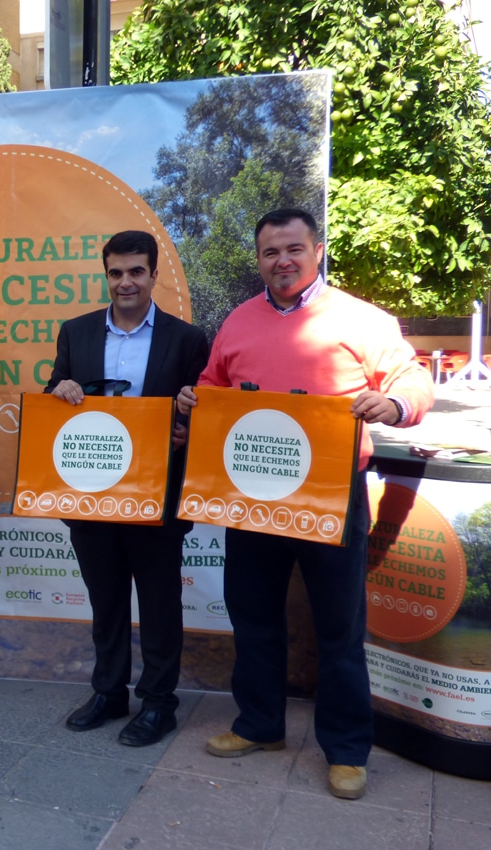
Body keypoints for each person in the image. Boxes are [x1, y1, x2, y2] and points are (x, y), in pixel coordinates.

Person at [176, 209, 434, 799]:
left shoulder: (360, 319)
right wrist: (199, 399)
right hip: (252, 494)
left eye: (293, 249)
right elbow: (214, 383)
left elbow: (411, 378)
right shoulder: (239, 321)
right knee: (254, 616)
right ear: (259, 260)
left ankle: (346, 752)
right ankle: (260, 725)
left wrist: (394, 406)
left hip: (330, 494)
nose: (282, 262)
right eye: (270, 253)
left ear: (316, 250)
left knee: (338, 629)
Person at [47, 231, 208, 746]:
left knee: (160, 603)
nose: (125, 282)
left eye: (136, 271)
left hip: (157, 497)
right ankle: (109, 692)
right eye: (116, 272)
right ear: (106, 275)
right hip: (92, 496)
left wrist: (186, 429)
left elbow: (202, 418)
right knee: (107, 601)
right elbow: (57, 397)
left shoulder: (187, 340)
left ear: (154, 275)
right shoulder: (76, 333)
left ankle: (159, 703)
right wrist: (61, 391)